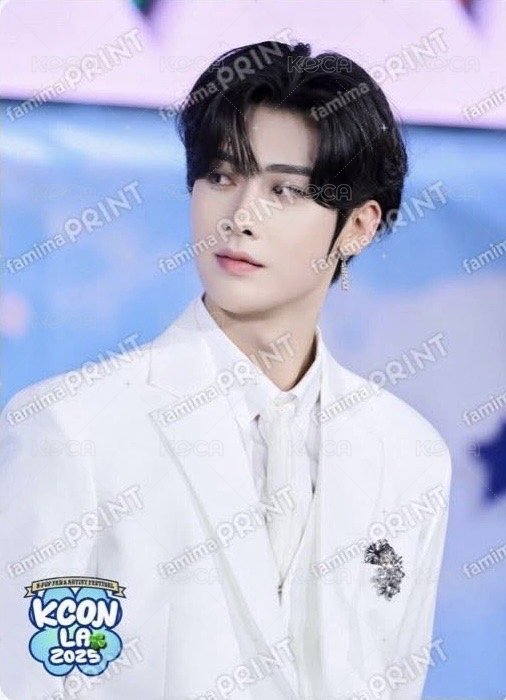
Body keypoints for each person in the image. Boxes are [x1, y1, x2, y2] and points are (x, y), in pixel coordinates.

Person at [0, 40, 451, 700]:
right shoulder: (71, 428)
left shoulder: (410, 454)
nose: (240, 218)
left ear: (357, 225)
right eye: (220, 177)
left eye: (284, 190)